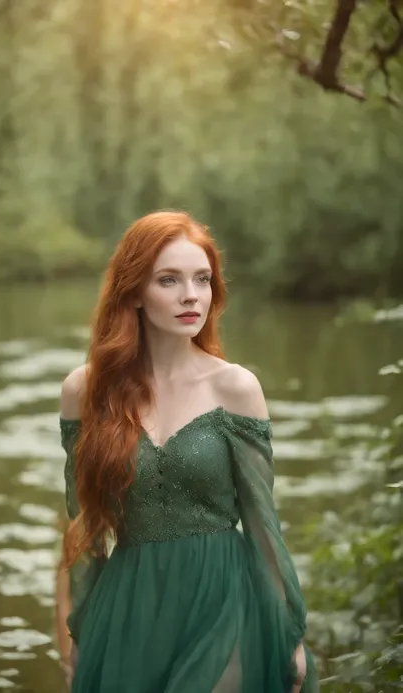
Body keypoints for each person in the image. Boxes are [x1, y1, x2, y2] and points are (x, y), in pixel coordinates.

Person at [56, 210, 319, 692]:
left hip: (225, 598)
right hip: (131, 605)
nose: (190, 295)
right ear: (134, 290)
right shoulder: (85, 391)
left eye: (202, 279)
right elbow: (85, 527)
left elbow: (263, 524)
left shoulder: (235, 387)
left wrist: (288, 632)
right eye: (169, 280)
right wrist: (82, 630)